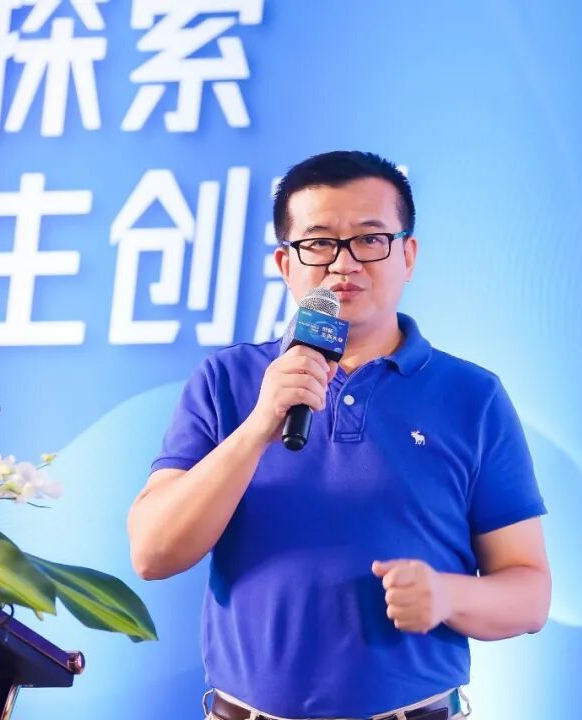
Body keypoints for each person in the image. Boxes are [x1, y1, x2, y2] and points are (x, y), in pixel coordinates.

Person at [127, 151, 551, 720]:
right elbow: (152, 553)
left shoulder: (472, 397)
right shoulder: (226, 381)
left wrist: (450, 595)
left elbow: (530, 594)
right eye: (319, 243)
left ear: (408, 255)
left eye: (370, 239)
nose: (344, 264)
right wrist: (259, 425)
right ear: (286, 263)